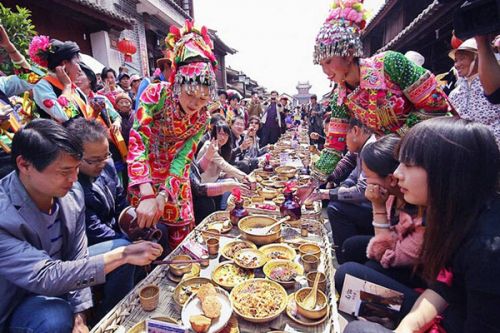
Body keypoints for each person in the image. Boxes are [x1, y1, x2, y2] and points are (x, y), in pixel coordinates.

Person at [0, 119, 162, 332]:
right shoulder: (4, 215)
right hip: (20, 300)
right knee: (54, 316)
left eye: (77, 169)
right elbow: (45, 275)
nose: (74, 178)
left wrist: (81, 313)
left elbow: (77, 256)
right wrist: (123, 254)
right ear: (25, 165)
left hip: (65, 276)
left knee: (120, 254)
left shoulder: (72, 192)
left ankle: (114, 321)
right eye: (64, 171)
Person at [342, 117, 500, 333]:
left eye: (408, 164)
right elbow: (444, 287)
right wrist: (408, 326)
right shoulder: (458, 215)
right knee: (351, 274)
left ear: (447, 172)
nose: (397, 174)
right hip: (440, 306)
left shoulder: (487, 250)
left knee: (356, 324)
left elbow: (388, 255)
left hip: (447, 320)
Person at [305, 0, 448, 189]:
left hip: (430, 148)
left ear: (348, 54)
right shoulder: (341, 97)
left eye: (329, 61)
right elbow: (334, 146)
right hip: (393, 161)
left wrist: (397, 138)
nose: (325, 71)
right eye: (321, 64)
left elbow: (436, 104)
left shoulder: (390, 64)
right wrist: (314, 180)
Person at [127, 20, 218, 249]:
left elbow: (183, 158)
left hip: (175, 181)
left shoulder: (202, 118)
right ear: (177, 81)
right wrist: (147, 193)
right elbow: (138, 140)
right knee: (146, 238)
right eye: (190, 95)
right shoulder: (155, 95)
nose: (195, 104)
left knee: (182, 239)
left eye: (203, 99)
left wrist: (165, 195)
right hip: (145, 177)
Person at [336, 135, 426, 297]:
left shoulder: (423, 217)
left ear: (390, 179)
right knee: (351, 247)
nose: (399, 173)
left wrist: (378, 207)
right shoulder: (393, 194)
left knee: (347, 275)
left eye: (368, 176)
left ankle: (380, 312)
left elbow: (382, 253)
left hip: (419, 282)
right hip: (397, 254)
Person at [308, 118, 376, 263]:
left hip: (375, 207)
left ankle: (347, 259)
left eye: (343, 137)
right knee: (334, 199)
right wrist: (325, 179)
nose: (343, 143)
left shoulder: (371, 148)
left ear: (355, 131)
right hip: (368, 202)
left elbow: (362, 190)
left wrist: (328, 194)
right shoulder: (361, 147)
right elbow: (350, 171)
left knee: (335, 208)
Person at [448, 38, 500, 145]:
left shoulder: (495, 85)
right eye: (456, 60)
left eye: (462, 58)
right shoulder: (454, 94)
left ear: (478, 58)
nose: (457, 65)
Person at [30, 36, 91, 122]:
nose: (80, 70)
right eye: (77, 63)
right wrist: (67, 86)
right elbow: (63, 116)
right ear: (64, 63)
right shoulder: (43, 86)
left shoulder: (75, 89)